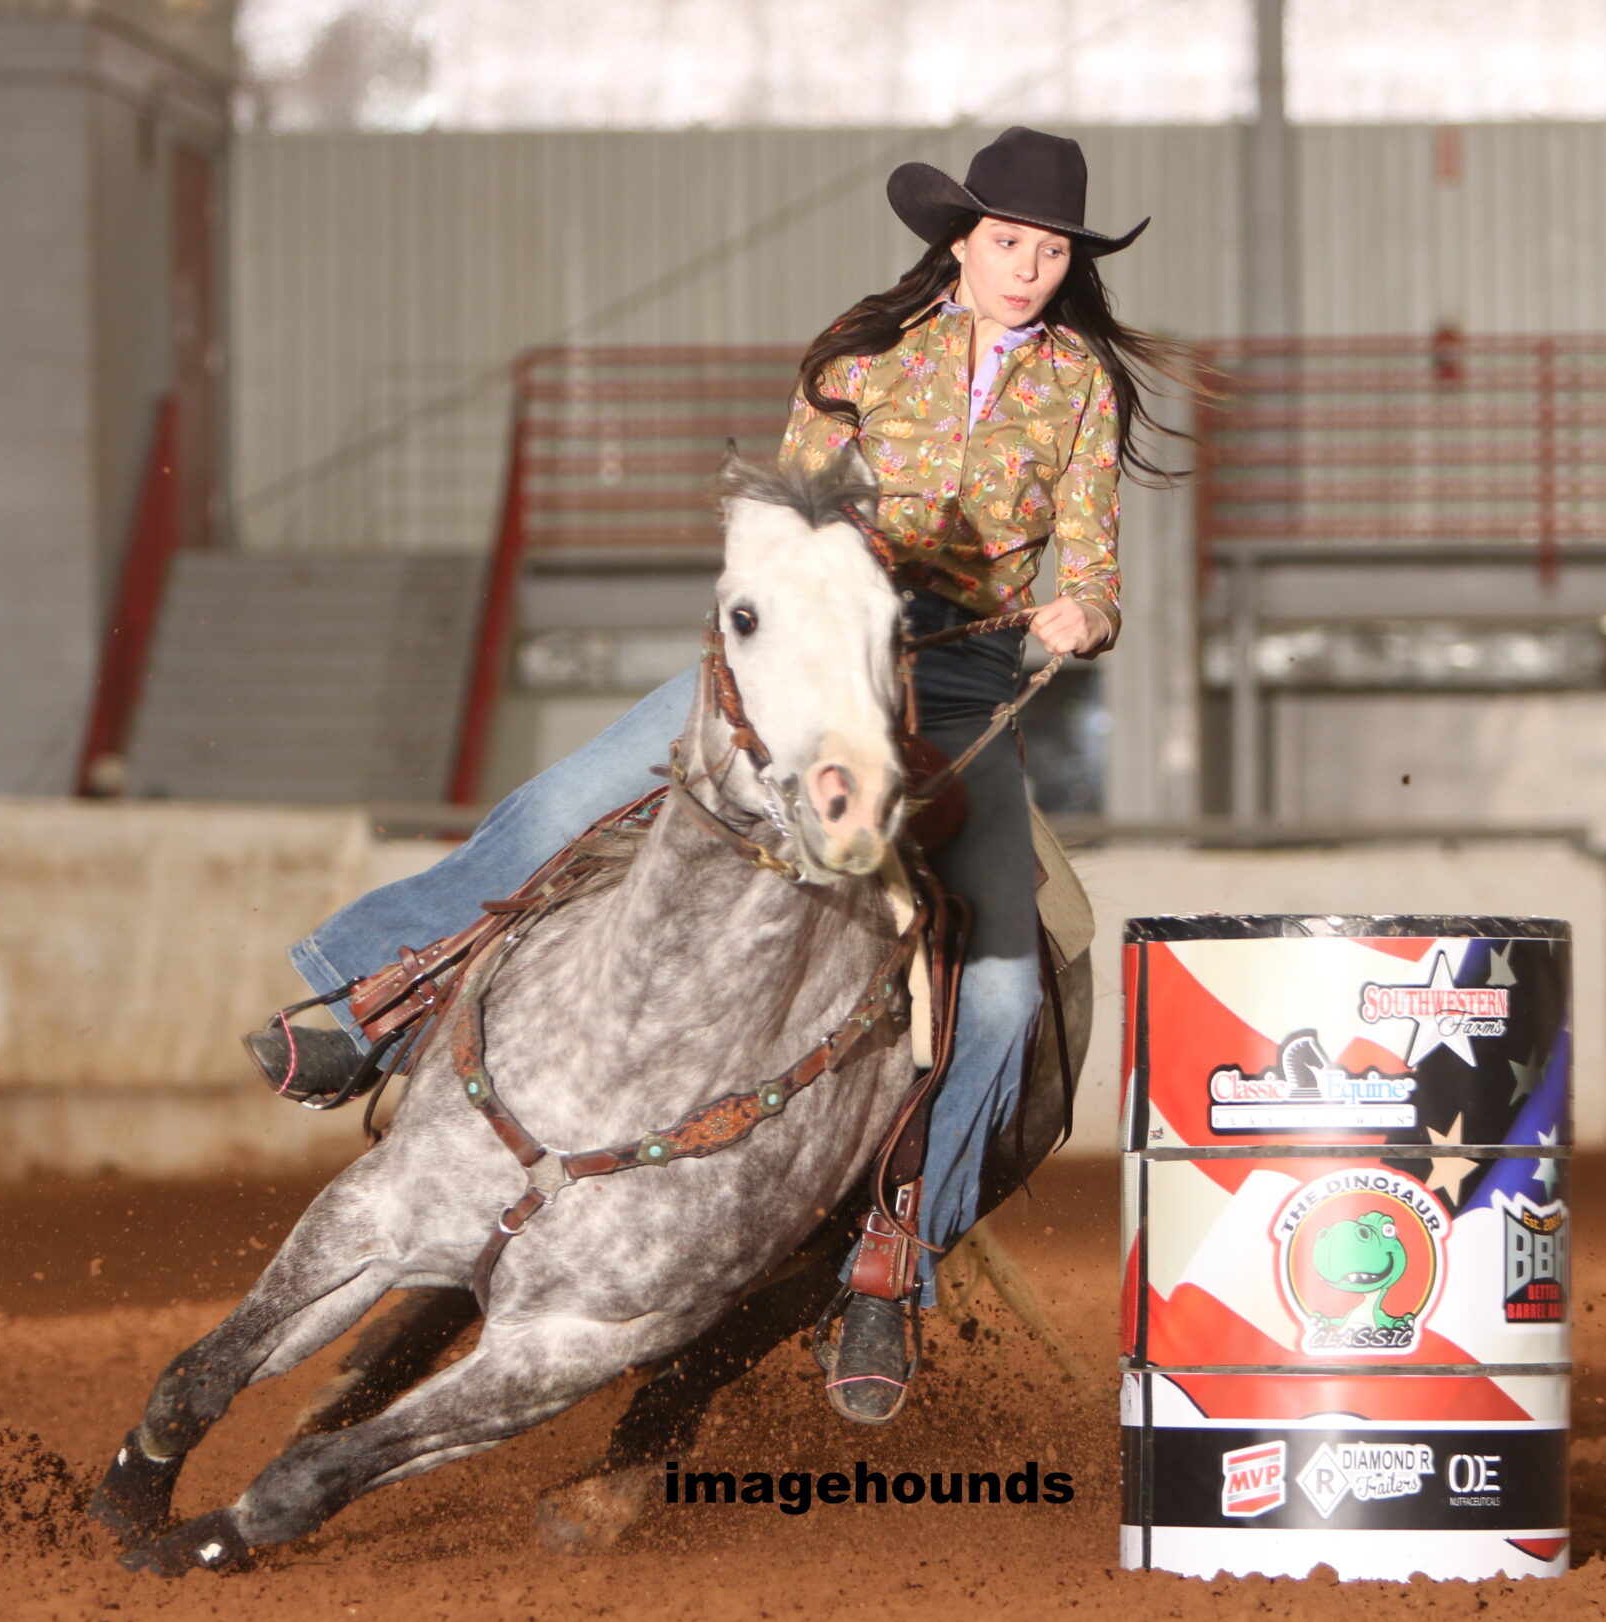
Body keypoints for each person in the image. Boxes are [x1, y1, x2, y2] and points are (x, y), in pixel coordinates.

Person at [249, 126, 1191, 1422]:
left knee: (1007, 987)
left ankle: (892, 1259)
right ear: (960, 243)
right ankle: (374, 1006)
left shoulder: (1081, 388)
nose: (1029, 268)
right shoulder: (862, 361)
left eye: (1050, 250)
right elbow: (785, 532)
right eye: (1009, 242)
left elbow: (1091, 554)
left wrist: (1083, 609)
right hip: (808, 665)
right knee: (568, 800)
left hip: (959, 687)